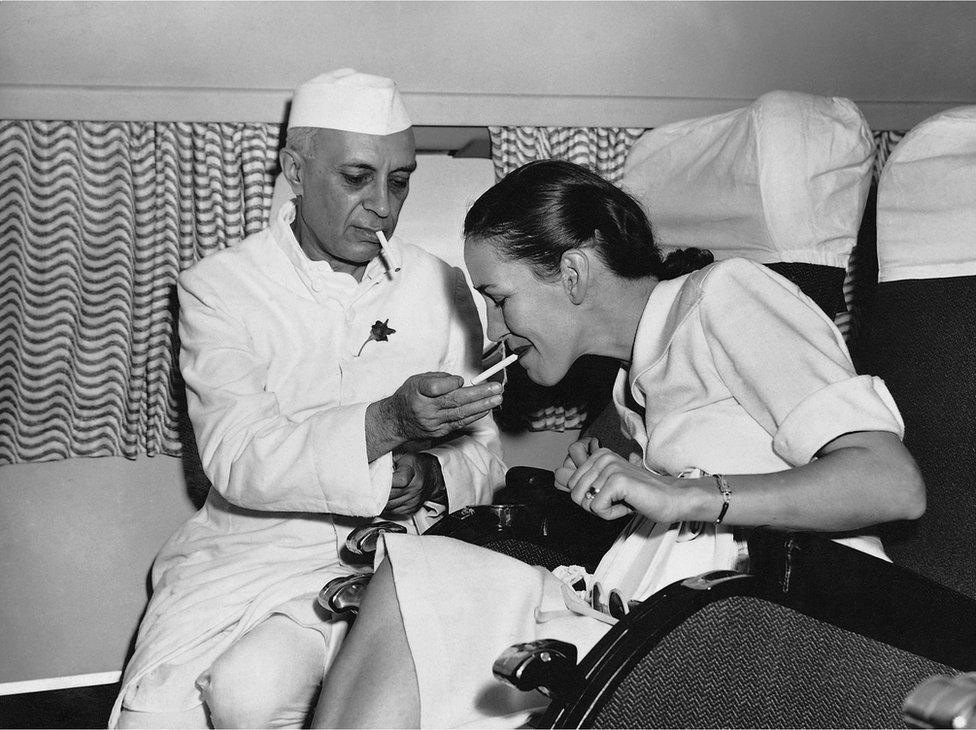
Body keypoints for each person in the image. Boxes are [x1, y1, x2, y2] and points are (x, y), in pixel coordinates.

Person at [309, 159, 926, 729]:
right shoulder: (631, 380)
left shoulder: (728, 295)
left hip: (781, 632)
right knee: (413, 570)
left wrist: (682, 495)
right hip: (670, 618)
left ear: (573, 273)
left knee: (425, 601)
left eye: (499, 300)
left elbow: (891, 483)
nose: (495, 332)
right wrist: (605, 480)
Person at [110, 69, 507, 729]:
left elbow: (482, 452)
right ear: (295, 171)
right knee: (152, 719)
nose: (383, 205)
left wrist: (433, 474)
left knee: (249, 692)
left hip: (389, 550)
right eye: (357, 178)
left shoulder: (441, 287)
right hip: (249, 547)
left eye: (400, 180)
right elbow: (235, 458)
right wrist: (387, 424)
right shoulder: (221, 288)